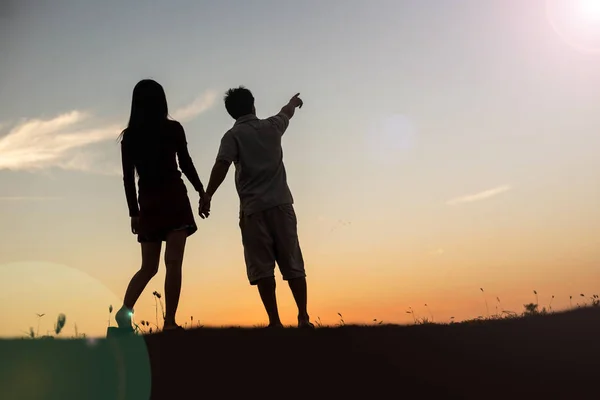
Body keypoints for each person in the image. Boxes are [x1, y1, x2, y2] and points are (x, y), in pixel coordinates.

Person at [202, 87, 313, 328]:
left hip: (253, 210)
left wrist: (208, 194)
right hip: (282, 204)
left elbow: (222, 164)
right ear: (253, 104)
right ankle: (303, 316)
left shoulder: (232, 136)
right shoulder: (272, 126)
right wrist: (293, 102)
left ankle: (274, 321)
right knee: (292, 261)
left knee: (262, 267)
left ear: (231, 112)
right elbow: (286, 113)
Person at [115, 79, 209, 331]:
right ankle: (169, 322)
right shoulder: (173, 129)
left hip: (149, 201)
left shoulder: (130, 137)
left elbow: (127, 179)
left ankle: (124, 313)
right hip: (174, 198)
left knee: (148, 267)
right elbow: (185, 163)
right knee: (174, 263)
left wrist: (133, 213)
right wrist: (201, 190)